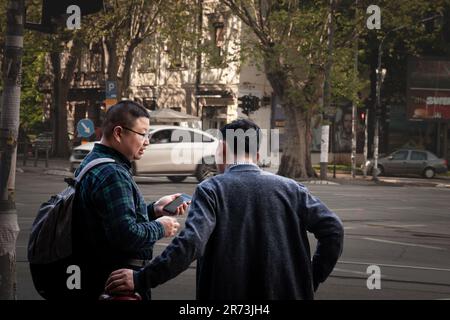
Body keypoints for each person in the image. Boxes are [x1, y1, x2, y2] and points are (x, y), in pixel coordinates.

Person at [105, 119, 344, 300]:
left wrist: (142, 279)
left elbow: (191, 244)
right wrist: (309, 279)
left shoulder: (212, 190)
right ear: (258, 154)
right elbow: (333, 230)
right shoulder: (292, 189)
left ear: (222, 149)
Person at [71, 100, 188, 300]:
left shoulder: (94, 162)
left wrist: (153, 210)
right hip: (115, 284)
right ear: (118, 133)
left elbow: (110, 220)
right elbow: (126, 235)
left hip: (95, 277)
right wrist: (161, 226)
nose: (147, 141)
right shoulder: (112, 173)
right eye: (143, 134)